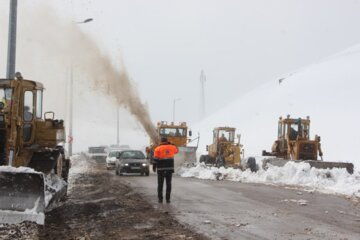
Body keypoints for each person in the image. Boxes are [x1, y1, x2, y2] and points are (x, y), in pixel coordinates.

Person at [152, 137, 179, 203]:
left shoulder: (157, 149)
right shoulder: (172, 147)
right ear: (167, 141)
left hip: (160, 170)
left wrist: (154, 167)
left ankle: (160, 199)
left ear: (161, 141)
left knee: (160, 184)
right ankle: (168, 199)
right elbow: (177, 150)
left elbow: (155, 159)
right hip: (169, 169)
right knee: (168, 184)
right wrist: (172, 144)